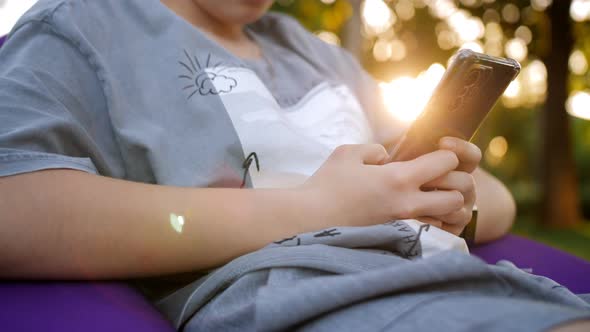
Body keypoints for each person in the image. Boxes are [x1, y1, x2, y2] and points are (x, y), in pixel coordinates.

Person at [0, 0, 588, 331]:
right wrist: (318, 208)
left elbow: (497, 198)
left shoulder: (318, 56)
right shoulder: (81, 29)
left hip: (478, 285)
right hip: (318, 304)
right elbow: (13, 207)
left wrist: (449, 199)